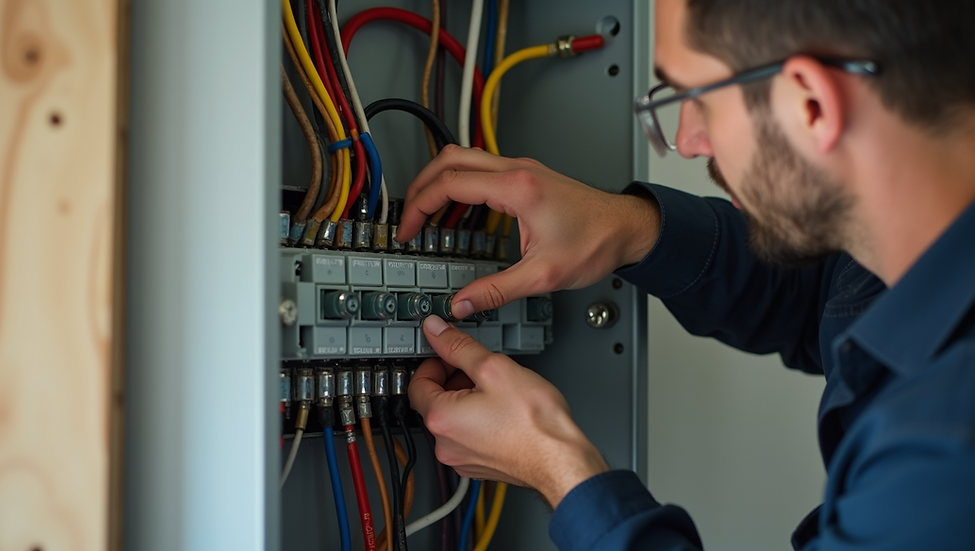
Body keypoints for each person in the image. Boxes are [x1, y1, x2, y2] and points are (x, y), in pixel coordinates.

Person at [396, 0, 975, 548]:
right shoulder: (915, 242)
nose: (688, 140)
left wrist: (561, 470)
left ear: (811, 105)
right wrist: (632, 230)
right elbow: (830, 300)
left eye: (699, 95)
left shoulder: (944, 448)